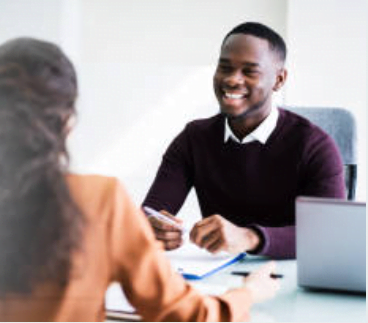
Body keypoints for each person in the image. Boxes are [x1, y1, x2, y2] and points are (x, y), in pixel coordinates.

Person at [0, 37, 280, 321]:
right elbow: (183, 314)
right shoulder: (99, 200)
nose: (234, 81)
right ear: (67, 121)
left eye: (249, 71)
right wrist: (248, 294)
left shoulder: (311, 143)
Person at [143, 22, 346, 259]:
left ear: (279, 80)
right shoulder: (193, 139)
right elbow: (150, 214)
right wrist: (151, 228)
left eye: (249, 71)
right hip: (218, 278)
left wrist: (250, 237)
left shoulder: (315, 146)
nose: (231, 80)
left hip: (294, 277)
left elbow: (328, 236)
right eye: (224, 67)